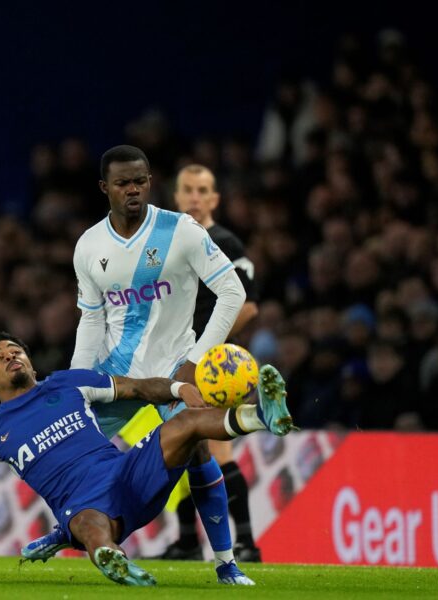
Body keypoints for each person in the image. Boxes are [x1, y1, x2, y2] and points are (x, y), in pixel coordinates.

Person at [23, 145, 254, 584]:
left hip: (176, 368)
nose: (133, 189)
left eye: (140, 181)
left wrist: (195, 361)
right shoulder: (89, 245)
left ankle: (226, 562)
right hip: (119, 375)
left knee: (199, 451)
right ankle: (67, 530)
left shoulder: (181, 230)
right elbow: (92, 319)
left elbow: (233, 293)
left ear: (150, 182)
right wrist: (79, 380)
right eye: (123, 183)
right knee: (65, 448)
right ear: (104, 188)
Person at [0, 331, 294, 586]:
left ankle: (263, 416)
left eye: (15, 350)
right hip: (82, 504)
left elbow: (138, 387)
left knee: (188, 427)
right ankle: (114, 560)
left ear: (31, 362)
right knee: (89, 526)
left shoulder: (68, 383)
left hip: (126, 472)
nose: (10, 356)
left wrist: (178, 388)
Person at [162, 164, 261, 561]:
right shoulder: (169, 243)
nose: (195, 197)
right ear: (176, 197)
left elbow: (248, 307)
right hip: (175, 363)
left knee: (217, 452)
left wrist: (204, 352)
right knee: (187, 448)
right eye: (188, 189)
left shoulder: (225, 242)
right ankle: (188, 540)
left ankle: (247, 543)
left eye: (203, 190)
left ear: (215, 199)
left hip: (215, 367)